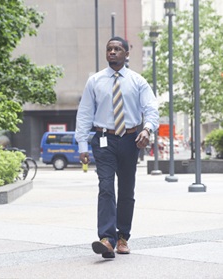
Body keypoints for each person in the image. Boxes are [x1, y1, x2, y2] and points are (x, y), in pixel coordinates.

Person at [75, 36, 159, 259]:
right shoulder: (94, 81)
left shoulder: (138, 81)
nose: (112, 52)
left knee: (126, 190)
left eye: (117, 49)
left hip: (130, 139)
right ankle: (106, 239)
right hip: (103, 139)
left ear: (126, 54)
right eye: (109, 49)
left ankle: (123, 238)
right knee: (106, 187)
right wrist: (82, 144)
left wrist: (147, 129)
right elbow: (84, 114)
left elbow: (151, 108)